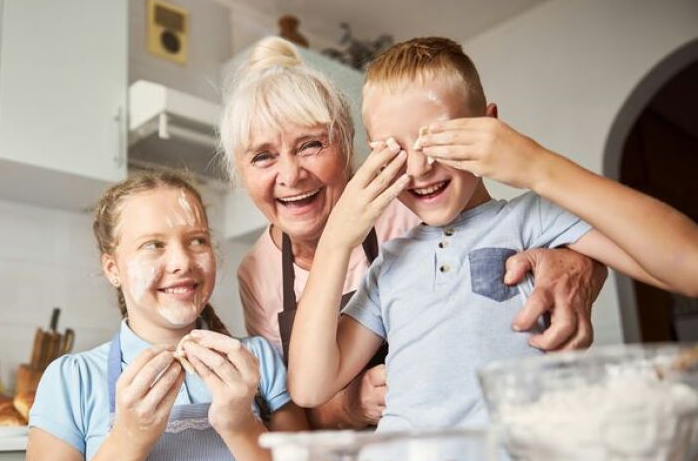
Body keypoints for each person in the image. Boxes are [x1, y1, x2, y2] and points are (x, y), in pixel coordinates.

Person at [286, 37, 698, 461]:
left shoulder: (532, 218)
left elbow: (689, 266)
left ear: (489, 127)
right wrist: (335, 242)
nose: (420, 167)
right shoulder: (391, 264)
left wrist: (536, 165)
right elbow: (310, 386)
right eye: (395, 148)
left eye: (439, 137)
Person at [219, 37, 608, 430]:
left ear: (351, 147)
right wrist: (350, 406)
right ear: (240, 171)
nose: (290, 176)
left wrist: (578, 259)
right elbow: (292, 401)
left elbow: (502, 238)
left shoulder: (413, 202)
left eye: (311, 145)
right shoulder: (257, 271)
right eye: (263, 156)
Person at [24, 171, 307, 461]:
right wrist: (128, 437)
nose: (182, 262)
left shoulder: (257, 360)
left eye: (197, 240)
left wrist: (241, 424)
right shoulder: (73, 380)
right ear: (113, 269)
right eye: (153, 245)